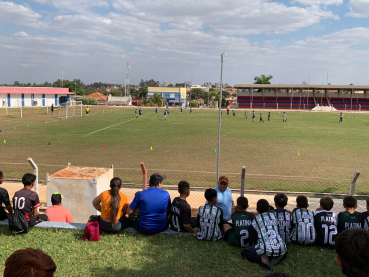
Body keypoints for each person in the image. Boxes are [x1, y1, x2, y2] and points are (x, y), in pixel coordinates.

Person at [241, 199, 287, 270]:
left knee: (245, 252)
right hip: (281, 247)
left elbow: (252, 238)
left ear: (257, 210)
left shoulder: (255, 220)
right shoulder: (274, 217)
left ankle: (262, 260)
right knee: (284, 248)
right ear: (269, 209)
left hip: (265, 248)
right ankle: (277, 257)